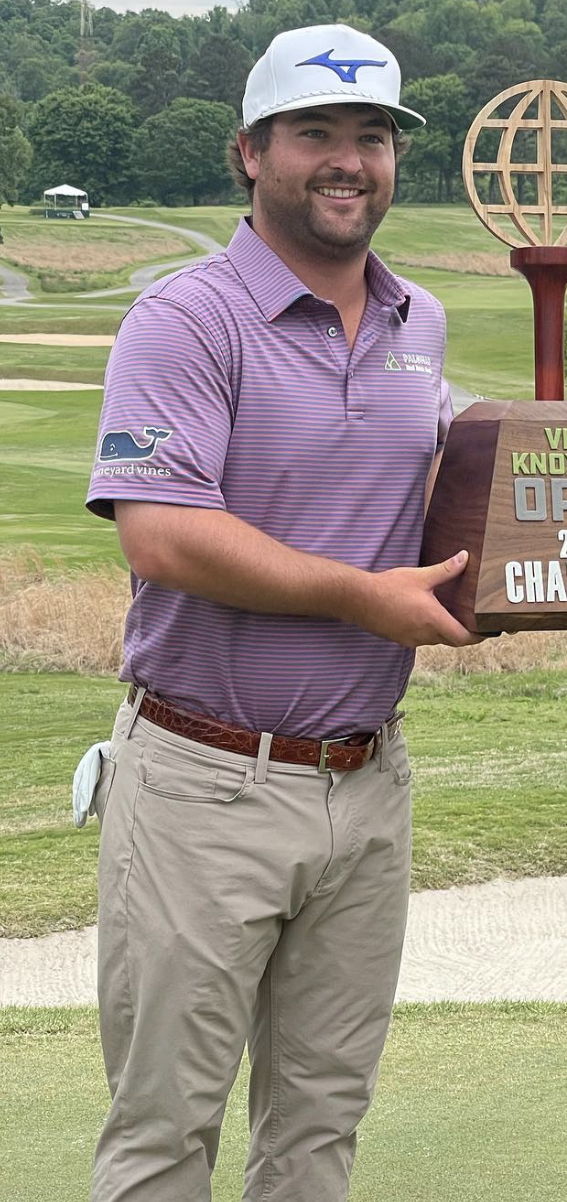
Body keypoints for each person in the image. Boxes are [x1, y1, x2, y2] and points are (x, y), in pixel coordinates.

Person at [81, 24, 478, 1202]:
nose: (349, 160)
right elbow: (161, 532)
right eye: (316, 133)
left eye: (373, 135)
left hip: (368, 780)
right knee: (164, 1134)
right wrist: (362, 596)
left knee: (319, 1130)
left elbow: (459, 481)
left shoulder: (418, 322)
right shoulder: (185, 318)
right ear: (251, 151)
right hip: (204, 781)